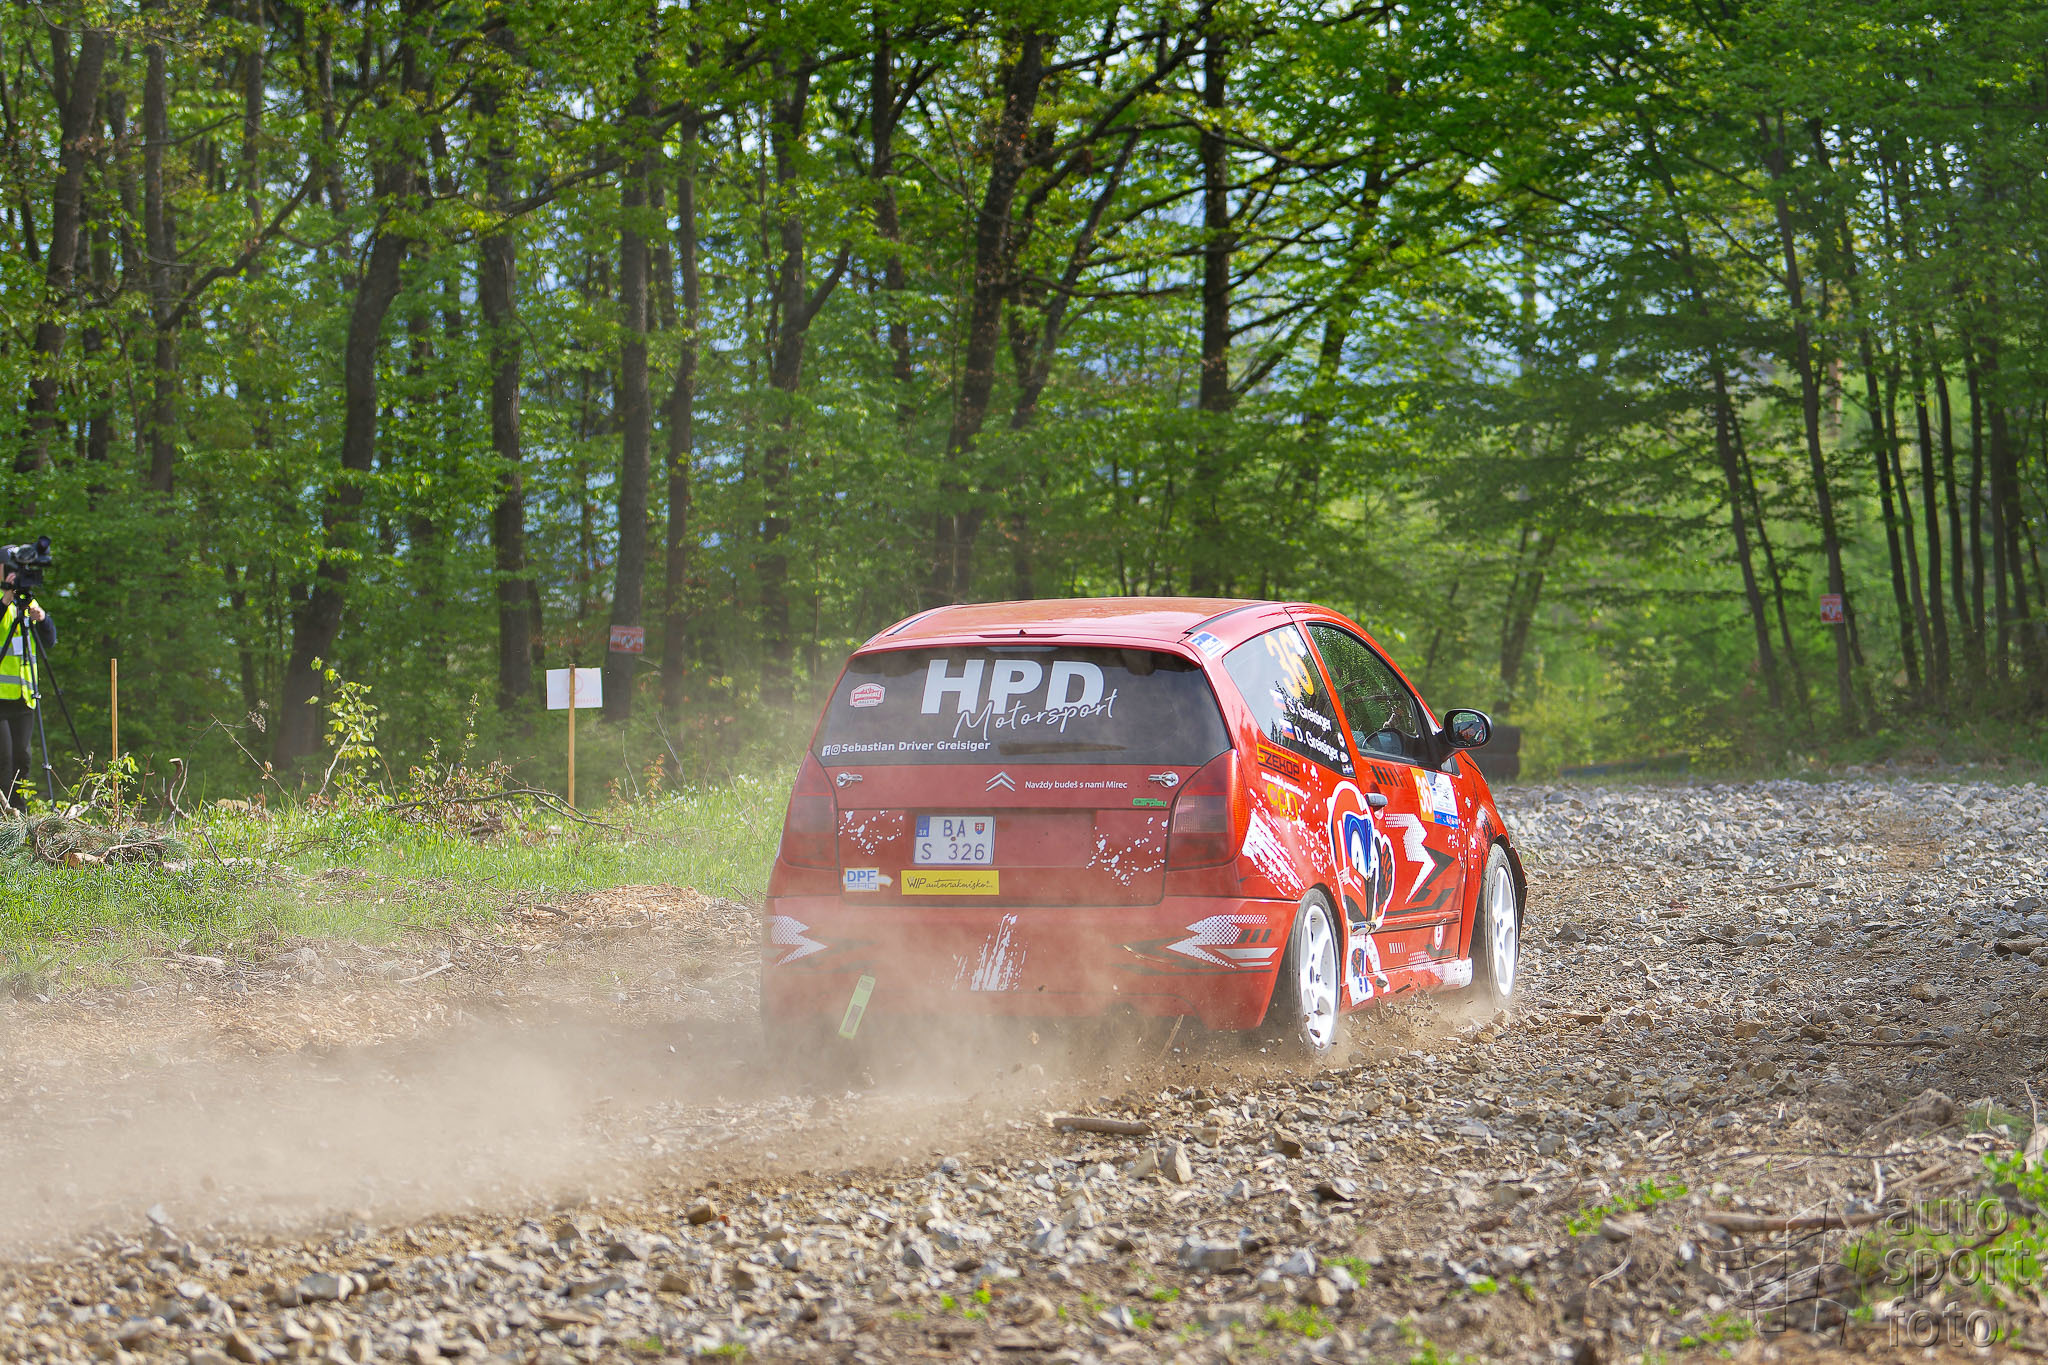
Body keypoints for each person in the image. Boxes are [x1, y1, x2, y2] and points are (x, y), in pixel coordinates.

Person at [0, 568, 54, 811]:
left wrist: (42, 619)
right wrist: (5, 599)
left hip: (24, 696)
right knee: (4, 758)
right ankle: (3, 813)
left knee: (23, 756)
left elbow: (50, 641)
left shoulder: (27, 603)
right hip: (0, 698)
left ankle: (19, 813)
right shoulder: (3, 601)